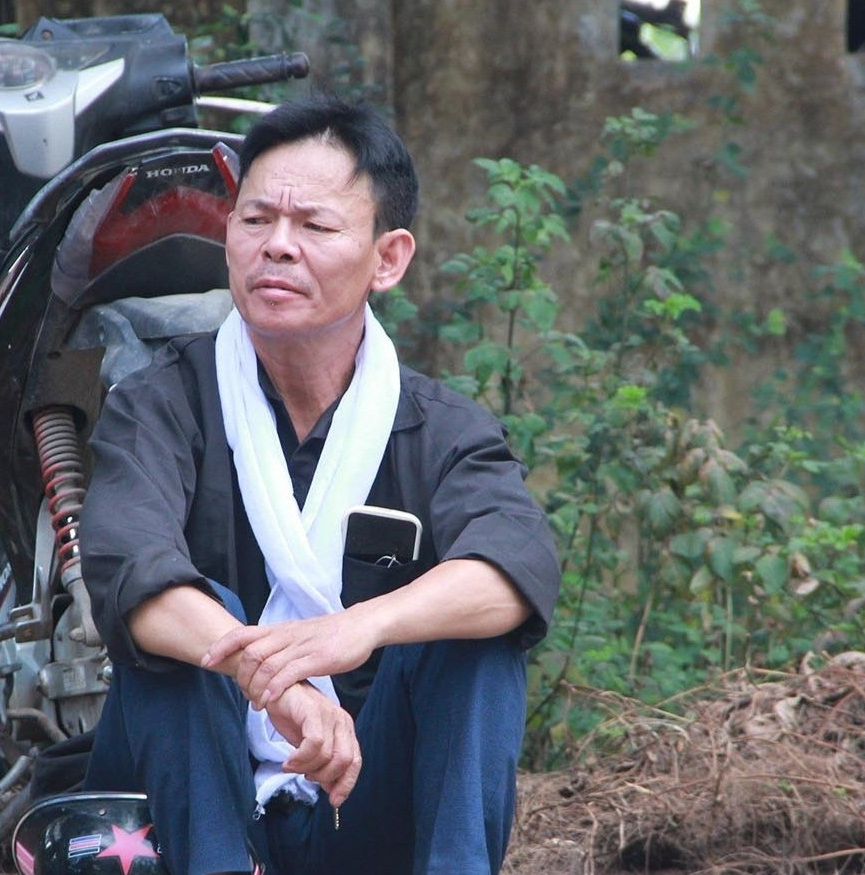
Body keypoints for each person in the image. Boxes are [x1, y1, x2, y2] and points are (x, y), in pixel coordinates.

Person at [78, 95, 560, 875]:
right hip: (187, 813)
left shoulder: (440, 428)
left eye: (316, 226)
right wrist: (267, 677)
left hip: (358, 807)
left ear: (388, 258)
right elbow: (127, 571)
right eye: (256, 219)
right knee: (191, 627)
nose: (278, 247)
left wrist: (358, 629)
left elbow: (516, 570)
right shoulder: (160, 403)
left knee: (472, 637)